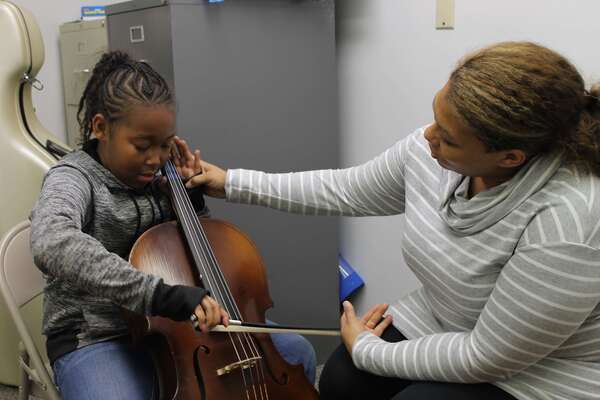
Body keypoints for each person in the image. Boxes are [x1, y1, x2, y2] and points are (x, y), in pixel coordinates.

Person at [188, 41, 600, 400]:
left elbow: (486, 356)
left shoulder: (567, 221)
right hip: (442, 323)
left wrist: (371, 349)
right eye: (436, 117)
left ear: (510, 158)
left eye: (448, 137)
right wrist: (232, 183)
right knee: (341, 383)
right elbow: (345, 189)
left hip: (540, 372)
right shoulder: (433, 153)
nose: (427, 137)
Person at [30, 51, 315, 400]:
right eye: (142, 146)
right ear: (101, 127)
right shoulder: (73, 179)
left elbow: (194, 260)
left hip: (180, 328)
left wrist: (188, 201)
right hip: (98, 336)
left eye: (165, 144)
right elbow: (51, 242)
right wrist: (160, 295)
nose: (155, 159)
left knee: (298, 353)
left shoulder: (161, 176)